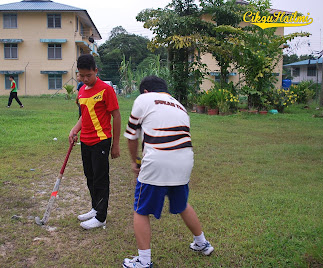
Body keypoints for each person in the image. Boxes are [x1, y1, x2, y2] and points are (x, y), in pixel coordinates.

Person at [123, 76, 214, 268]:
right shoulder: (179, 106)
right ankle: (202, 243)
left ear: (146, 91)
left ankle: (143, 261)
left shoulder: (144, 99)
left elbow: (132, 136)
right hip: (185, 160)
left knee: (141, 210)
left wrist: (135, 162)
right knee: (182, 205)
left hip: (157, 161)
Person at [69, 54, 121, 230]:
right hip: (85, 141)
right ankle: (95, 208)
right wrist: (75, 130)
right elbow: (85, 115)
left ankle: (101, 216)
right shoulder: (82, 90)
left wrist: (116, 144)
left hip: (101, 141)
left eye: (88, 75)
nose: (84, 79)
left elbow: (116, 115)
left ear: (96, 71)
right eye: (81, 75)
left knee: (100, 178)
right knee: (90, 176)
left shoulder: (106, 90)